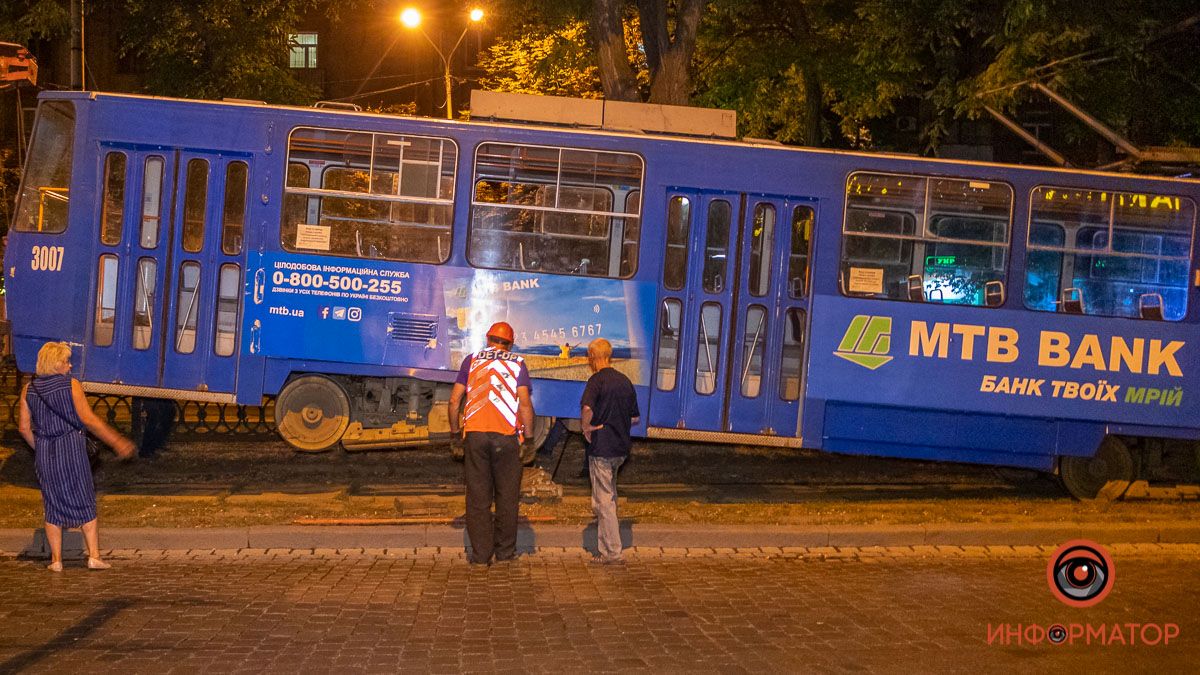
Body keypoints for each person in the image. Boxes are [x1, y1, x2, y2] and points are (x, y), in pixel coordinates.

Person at [17, 342, 136, 571]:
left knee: (52, 503)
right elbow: (89, 420)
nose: (70, 366)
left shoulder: (28, 389)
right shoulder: (71, 386)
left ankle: (56, 560)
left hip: (45, 452)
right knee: (84, 498)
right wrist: (116, 441)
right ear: (55, 363)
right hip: (71, 448)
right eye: (66, 361)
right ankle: (94, 556)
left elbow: (23, 428)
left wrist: (40, 445)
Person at [447, 322, 535, 565]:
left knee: (477, 499)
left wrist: (455, 435)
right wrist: (528, 440)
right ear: (510, 343)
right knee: (507, 497)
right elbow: (525, 404)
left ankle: (481, 555)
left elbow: (454, 401)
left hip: (476, 437)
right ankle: (505, 553)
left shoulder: (472, 360)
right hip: (507, 438)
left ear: (488, 339)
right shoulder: (517, 363)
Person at [580, 338, 640, 564]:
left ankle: (612, 551)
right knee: (608, 496)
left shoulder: (596, 381)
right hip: (620, 447)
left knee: (603, 500)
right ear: (610, 356)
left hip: (602, 446)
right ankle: (607, 544)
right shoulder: (625, 381)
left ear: (593, 357)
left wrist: (586, 427)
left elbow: (587, 408)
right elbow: (635, 417)